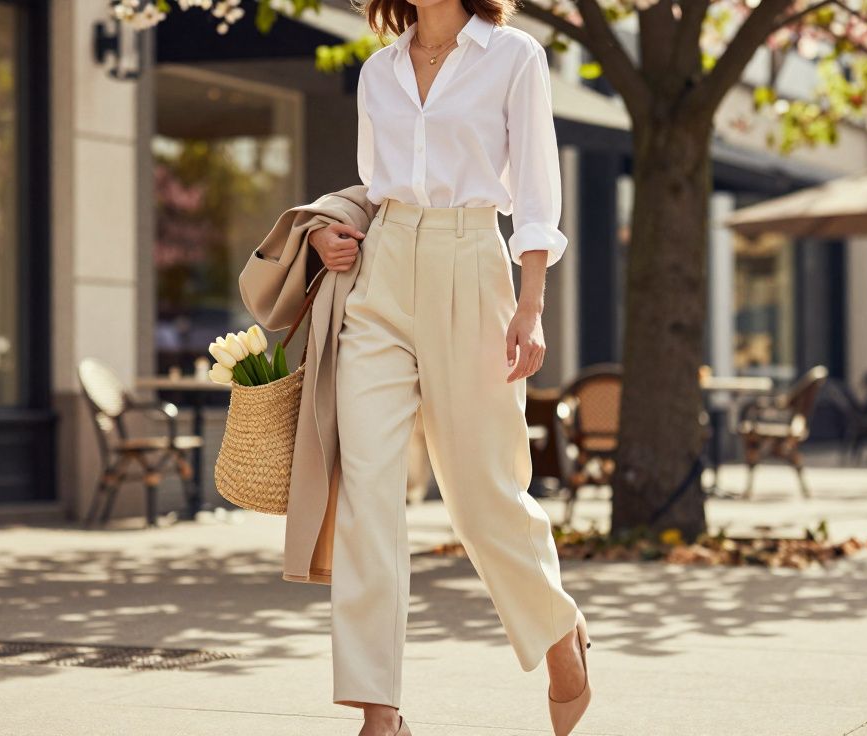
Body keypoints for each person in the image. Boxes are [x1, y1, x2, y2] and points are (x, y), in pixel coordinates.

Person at [304, 0, 591, 733]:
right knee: (368, 487)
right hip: (384, 271)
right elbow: (378, 187)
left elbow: (534, 191)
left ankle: (561, 635)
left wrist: (530, 305)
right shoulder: (378, 70)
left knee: (481, 495)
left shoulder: (513, 56)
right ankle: (380, 713)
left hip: (473, 262)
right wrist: (341, 238)